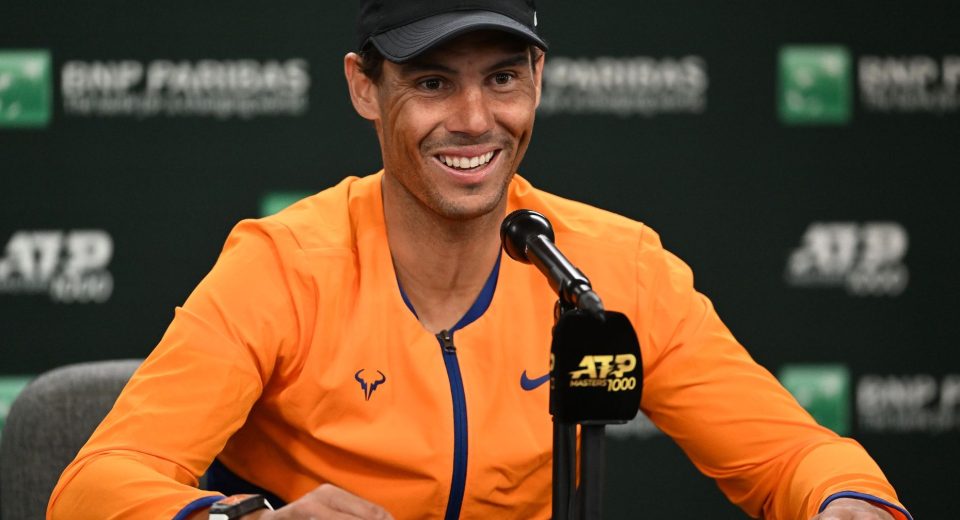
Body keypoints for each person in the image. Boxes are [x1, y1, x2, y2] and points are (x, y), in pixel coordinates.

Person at [48, 1, 912, 519]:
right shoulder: (282, 267)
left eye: (502, 78)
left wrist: (846, 502)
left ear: (538, 77)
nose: (473, 119)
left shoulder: (612, 266)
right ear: (363, 86)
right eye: (432, 82)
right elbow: (96, 487)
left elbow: (791, 457)